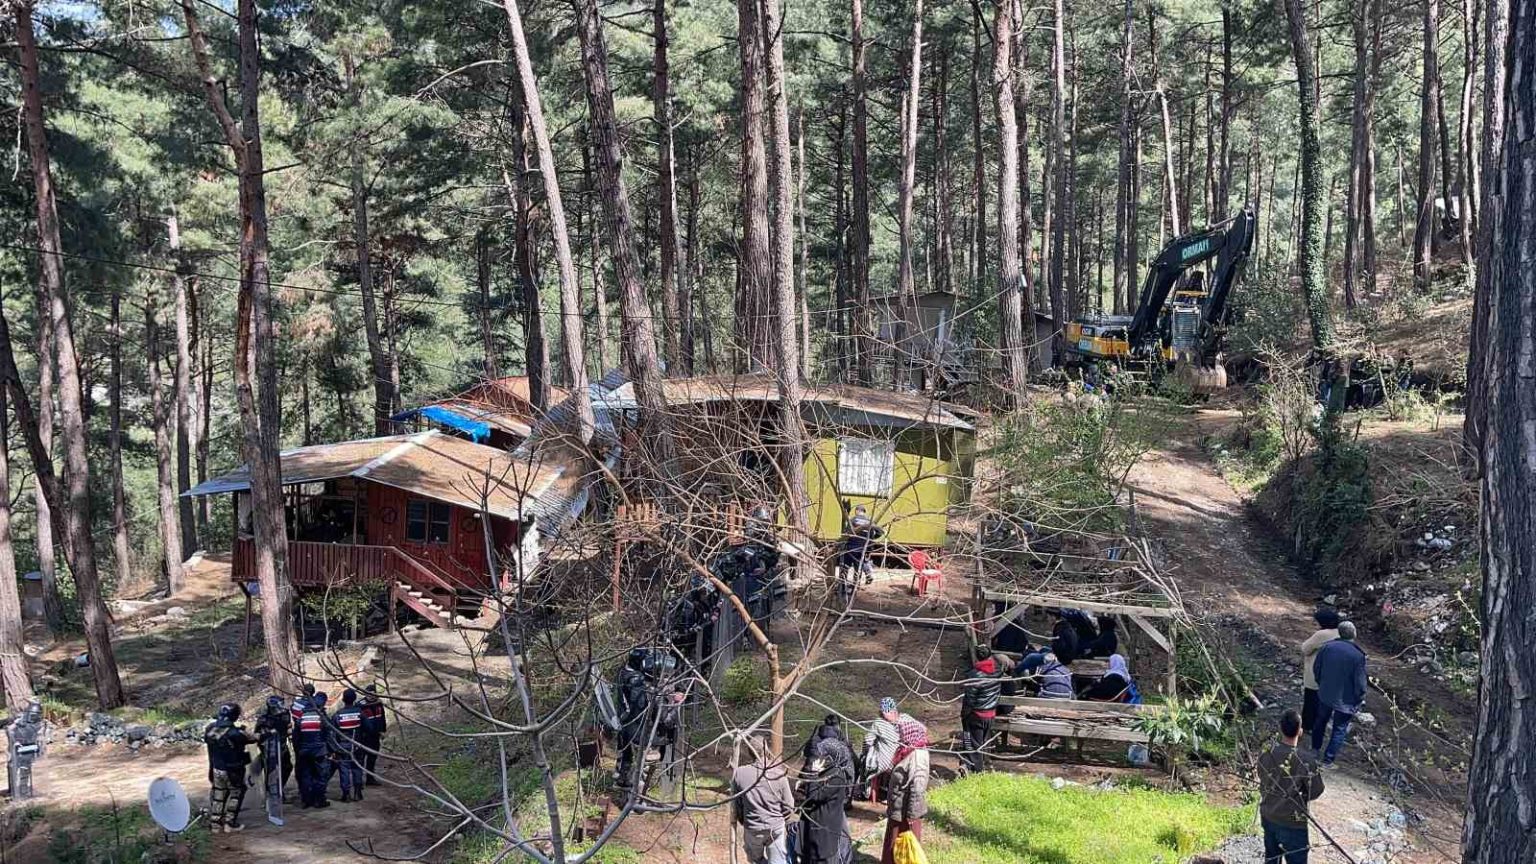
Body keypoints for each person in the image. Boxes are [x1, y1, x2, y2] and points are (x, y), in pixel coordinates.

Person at [1258, 709, 1326, 863]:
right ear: (1300, 732)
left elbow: (1261, 775)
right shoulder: (1306, 760)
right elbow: (1316, 790)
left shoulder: (1267, 752)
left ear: (1280, 728)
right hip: (1293, 823)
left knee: (1271, 858)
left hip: (1268, 814)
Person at [731, 735, 795, 864]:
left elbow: (737, 806)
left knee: (755, 860)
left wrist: (744, 820)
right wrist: (782, 817)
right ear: (767, 750)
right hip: (775, 828)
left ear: (750, 752)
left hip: (752, 828)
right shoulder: (779, 774)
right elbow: (789, 806)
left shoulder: (739, 774)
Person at [1311, 621, 1367, 765]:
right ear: (1354, 633)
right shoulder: (1358, 655)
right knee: (1339, 729)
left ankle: (1314, 750)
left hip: (1325, 693)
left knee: (1320, 721)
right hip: (1346, 700)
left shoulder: (1327, 647)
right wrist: (1360, 697)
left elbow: (1317, 668)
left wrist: (1321, 684)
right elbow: (1360, 682)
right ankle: (1328, 760)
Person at [797, 734, 854, 864]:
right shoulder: (828, 772)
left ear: (830, 757)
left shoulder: (836, 778)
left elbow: (814, 796)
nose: (819, 756)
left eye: (823, 753)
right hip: (816, 829)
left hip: (824, 833)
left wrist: (813, 774)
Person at [880, 718, 930, 864]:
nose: (899, 737)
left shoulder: (918, 756)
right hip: (898, 809)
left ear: (910, 733)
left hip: (906, 814)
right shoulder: (906, 750)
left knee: (906, 848)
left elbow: (918, 789)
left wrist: (911, 818)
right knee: (892, 844)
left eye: (901, 733)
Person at [203, 703, 255, 833]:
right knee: (236, 793)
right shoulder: (235, 733)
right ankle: (230, 823)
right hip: (233, 769)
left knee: (219, 794)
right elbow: (253, 738)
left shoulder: (210, 729)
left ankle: (215, 823)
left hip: (217, 768)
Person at [960, 654, 1010, 774]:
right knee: (982, 743)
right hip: (990, 714)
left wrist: (964, 715)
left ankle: (974, 770)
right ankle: (974, 766)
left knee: (972, 744)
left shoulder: (975, 674)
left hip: (976, 715)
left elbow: (969, 699)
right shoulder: (998, 673)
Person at [859, 697, 912, 801]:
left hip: (886, 762)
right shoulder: (905, 719)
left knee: (866, 762)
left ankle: (867, 793)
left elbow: (868, 741)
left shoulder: (879, 723)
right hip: (903, 759)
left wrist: (864, 752)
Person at [613, 648, 652, 788]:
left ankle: (621, 778)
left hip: (622, 719)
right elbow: (639, 704)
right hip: (634, 723)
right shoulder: (636, 679)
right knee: (642, 754)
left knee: (624, 752)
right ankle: (638, 787)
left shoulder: (622, 672)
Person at [1298, 607, 1341, 733]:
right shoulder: (1339, 632)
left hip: (1315, 673)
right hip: (1330, 674)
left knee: (1310, 702)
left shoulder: (1322, 634)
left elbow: (1305, 648)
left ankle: (1307, 727)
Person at [254, 695, 292, 825]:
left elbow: (287, 727)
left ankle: (280, 790)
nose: (283, 706)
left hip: (282, 747)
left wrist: (289, 733)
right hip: (270, 751)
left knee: (287, 768)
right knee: (271, 774)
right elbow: (259, 736)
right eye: (280, 704)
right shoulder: (264, 719)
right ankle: (270, 798)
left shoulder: (285, 714)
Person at [295, 691, 333, 808]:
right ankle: (319, 800)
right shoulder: (321, 718)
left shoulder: (301, 718)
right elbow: (328, 735)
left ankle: (306, 801)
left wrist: (299, 751)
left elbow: (296, 738)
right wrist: (331, 751)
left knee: (306, 776)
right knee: (321, 776)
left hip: (304, 752)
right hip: (319, 752)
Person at [838, 505, 885, 599]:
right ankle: (854, 590)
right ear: (864, 512)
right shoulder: (870, 521)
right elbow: (880, 532)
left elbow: (846, 533)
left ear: (857, 511)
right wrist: (871, 538)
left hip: (850, 548)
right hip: (862, 550)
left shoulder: (853, 520)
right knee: (858, 570)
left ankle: (842, 589)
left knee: (845, 568)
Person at [4, 699, 45, 800]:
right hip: (17, 750)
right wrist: (14, 741)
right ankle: (14, 791)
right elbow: (9, 730)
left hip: (29, 749)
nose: (34, 717)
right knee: (13, 768)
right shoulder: (19, 721)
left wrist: (39, 744)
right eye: (33, 715)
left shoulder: (39, 724)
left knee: (25, 770)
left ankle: (24, 791)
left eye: (36, 715)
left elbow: (39, 736)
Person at [331, 689, 366, 802]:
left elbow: (333, 733)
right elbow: (369, 728)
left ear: (343, 700)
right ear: (354, 699)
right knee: (357, 768)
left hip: (342, 747)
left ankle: (346, 795)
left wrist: (335, 748)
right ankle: (357, 793)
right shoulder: (360, 713)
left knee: (344, 770)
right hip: (357, 746)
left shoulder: (337, 715)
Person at [358, 684, 387, 785]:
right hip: (364, 736)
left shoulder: (378, 703)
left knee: (372, 757)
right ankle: (358, 780)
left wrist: (382, 730)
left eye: (372, 694)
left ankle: (370, 779)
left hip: (375, 735)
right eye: (368, 694)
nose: (370, 696)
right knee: (361, 758)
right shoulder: (360, 705)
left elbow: (382, 717)